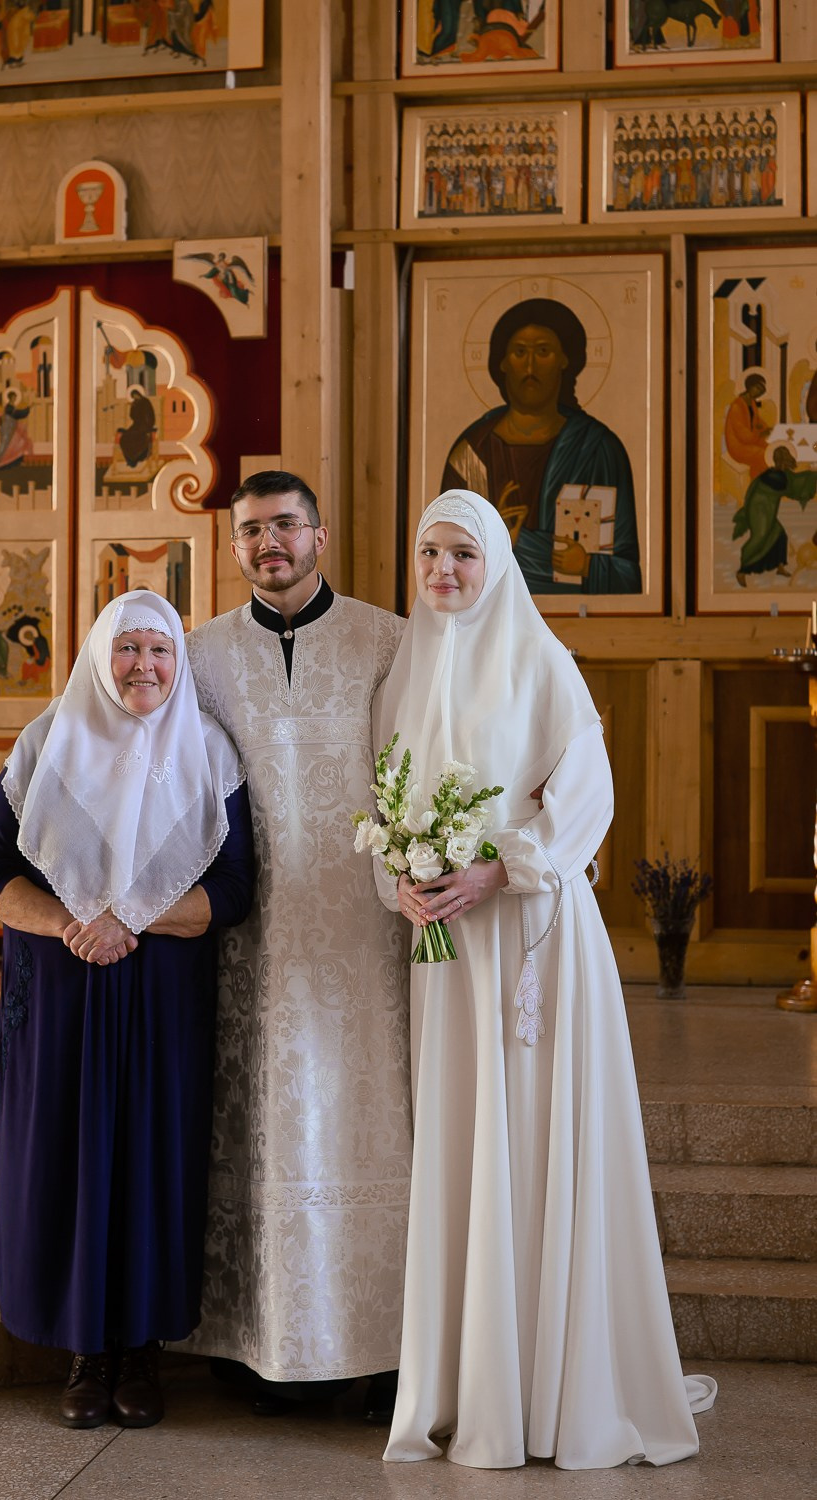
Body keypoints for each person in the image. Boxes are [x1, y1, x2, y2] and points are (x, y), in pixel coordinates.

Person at [374, 489, 717, 1470]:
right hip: (445, 951)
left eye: (462, 555)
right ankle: (471, 1386)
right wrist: (398, 881)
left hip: (526, 940)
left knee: (530, 1140)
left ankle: (556, 1390)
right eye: (429, 553)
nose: (442, 571)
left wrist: (497, 867)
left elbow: (584, 803)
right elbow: (382, 801)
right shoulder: (404, 672)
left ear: (495, 564)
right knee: (464, 1146)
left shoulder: (540, 662)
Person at [0, 590, 253, 1430]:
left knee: (152, 1163)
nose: (143, 667)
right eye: (127, 649)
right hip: (59, 995)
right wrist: (68, 924)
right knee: (67, 1158)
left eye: (160, 651)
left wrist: (130, 917)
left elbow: (235, 888)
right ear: (98, 655)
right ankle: (84, 1355)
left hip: (161, 1001)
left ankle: (140, 1354)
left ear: (180, 661)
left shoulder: (207, 750)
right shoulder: (46, 740)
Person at [184, 470, 411, 1423]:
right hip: (248, 931)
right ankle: (255, 1339)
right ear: (233, 549)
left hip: (363, 933)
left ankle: (386, 1346)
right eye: (249, 533)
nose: (268, 544)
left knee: (371, 1122)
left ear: (320, 534)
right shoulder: (197, 655)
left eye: (285, 526)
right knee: (256, 1126)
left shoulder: (387, 639)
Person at [441, 298, 642, 595]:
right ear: (503, 362)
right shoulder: (471, 455)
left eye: (543, 351)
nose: (531, 365)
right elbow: (444, 565)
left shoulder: (599, 449)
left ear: (565, 360)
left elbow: (631, 576)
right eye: (520, 352)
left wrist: (587, 566)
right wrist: (504, 544)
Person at [733, 445, 817, 585]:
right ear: (781, 461)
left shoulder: (780, 475)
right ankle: (742, 571)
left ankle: (780, 567)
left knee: (779, 535)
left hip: (768, 511)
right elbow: (793, 485)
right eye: (784, 460)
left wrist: (813, 475)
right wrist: (813, 476)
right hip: (759, 512)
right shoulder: (774, 477)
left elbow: (794, 481)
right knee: (759, 538)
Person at [723, 373, 771, 482]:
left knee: (771, 449)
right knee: (763, 455)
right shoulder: (737, 406)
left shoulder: (751, 402)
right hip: (738, 446)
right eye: (758, 388)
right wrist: (761, 434)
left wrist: (766, 428)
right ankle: (759, 483)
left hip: (751, 440)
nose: (759, 392)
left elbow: (757, 421)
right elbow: (743, 435)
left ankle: (760, 481)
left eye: (761, 390)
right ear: (749, 386)